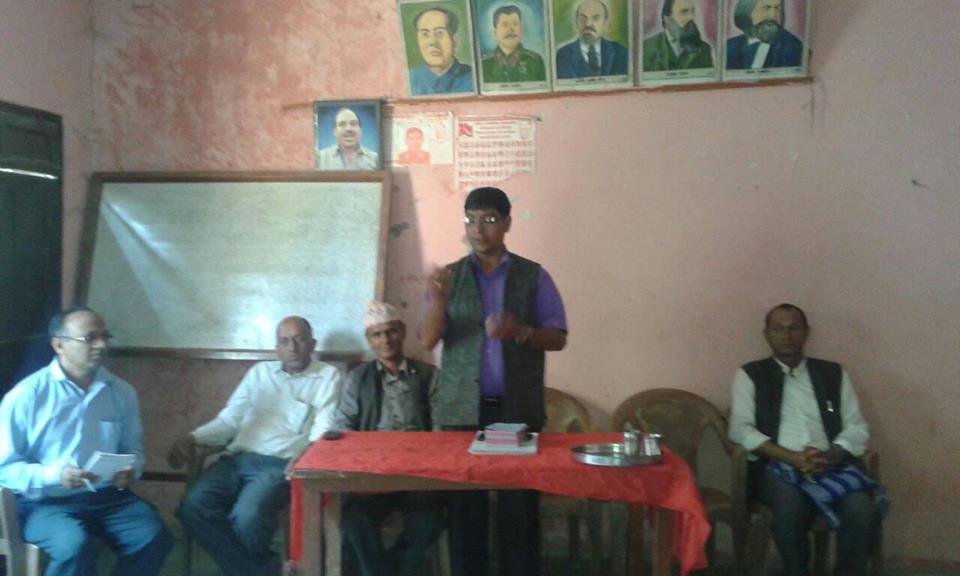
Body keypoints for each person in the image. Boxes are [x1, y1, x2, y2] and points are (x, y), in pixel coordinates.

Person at [420, 187, 568, 576]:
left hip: (516, 409)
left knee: (519, 513)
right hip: (461, 411)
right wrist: (438, 299)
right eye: (470, 220)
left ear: (506, 223)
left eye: (488, 220)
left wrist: (521, 331)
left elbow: (558, 338)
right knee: (464, 514)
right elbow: (427, 340)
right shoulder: (448, 277)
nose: (478, 229)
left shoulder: (533, 276)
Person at [0, 306, 172, 576]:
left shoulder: (121, 392)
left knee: (153, 537)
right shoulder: (26, 396)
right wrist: (54, 474)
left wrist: (131, 469)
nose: (101, 345)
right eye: (90, 338)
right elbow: (4, 469)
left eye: (105, 337)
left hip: (108, 497)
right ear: (59, 345)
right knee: (74, 545)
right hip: (45, 502)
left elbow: (133, 450)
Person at [168, 316, 342, 576]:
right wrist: (193, 437)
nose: (292, 348)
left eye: (299, 340)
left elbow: (324, 428)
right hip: (236, 460)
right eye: (285, 341)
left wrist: (306, 455)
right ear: (277, 348)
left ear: (312, 344)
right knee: (193, 506)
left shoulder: (327, 376)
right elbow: (229, 421)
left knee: (248, 516)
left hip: (280, 466)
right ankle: (265, 570)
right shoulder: (260, 373)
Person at [728, 304, 882, 576]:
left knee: (861, 509)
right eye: (778, 328)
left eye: (794, 328)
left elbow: (857, 427)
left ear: (807, 333)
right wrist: (792, 458)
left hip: (830, 464)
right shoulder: (751, 374)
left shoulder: (833, 374)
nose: (786, 335)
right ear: (767, 334)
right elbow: (740, 429)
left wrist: (831, 456)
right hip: (776, 467)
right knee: (790, 508)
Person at [334, 301, 442, 576]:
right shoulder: (357, 379)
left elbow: (441, 431)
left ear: (402, 331)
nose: (386, 340)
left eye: (391, 331)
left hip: (419, 476)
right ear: (369, 339)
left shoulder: (428, 376)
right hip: (373, 476)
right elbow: (344, 425)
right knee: (354, 519)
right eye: (377, 334)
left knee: (430, 521)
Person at [409, 7, 475, 96]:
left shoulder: (472, 78)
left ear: (454, 39)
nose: (432, 42)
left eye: (439, 33)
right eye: (425, 34)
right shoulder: (409, 79)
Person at [555, 0, 629, 78]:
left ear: (605, 23)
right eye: (582, 18)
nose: (588, 24)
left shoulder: (621, 52)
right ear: (576, 22)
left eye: (595, 18)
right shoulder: (562, 56)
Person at [726, 0, 803, 70]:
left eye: (778, 9)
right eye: (766, 8)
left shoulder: (792, 47)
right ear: (746, 12)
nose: (773, 16)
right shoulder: (730, 46)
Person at [481, 5, 546, 84]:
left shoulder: (535, 61)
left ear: (521, 30)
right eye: (505, 25)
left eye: (515, 24)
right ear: (495, 33)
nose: (511, 29)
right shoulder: (483, 63)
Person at [642, 0, 714, 71]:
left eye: (692, 11)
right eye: (684, 12)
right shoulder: (647, 48)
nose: (691, 17)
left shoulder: (704, 49)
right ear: (667, 19)